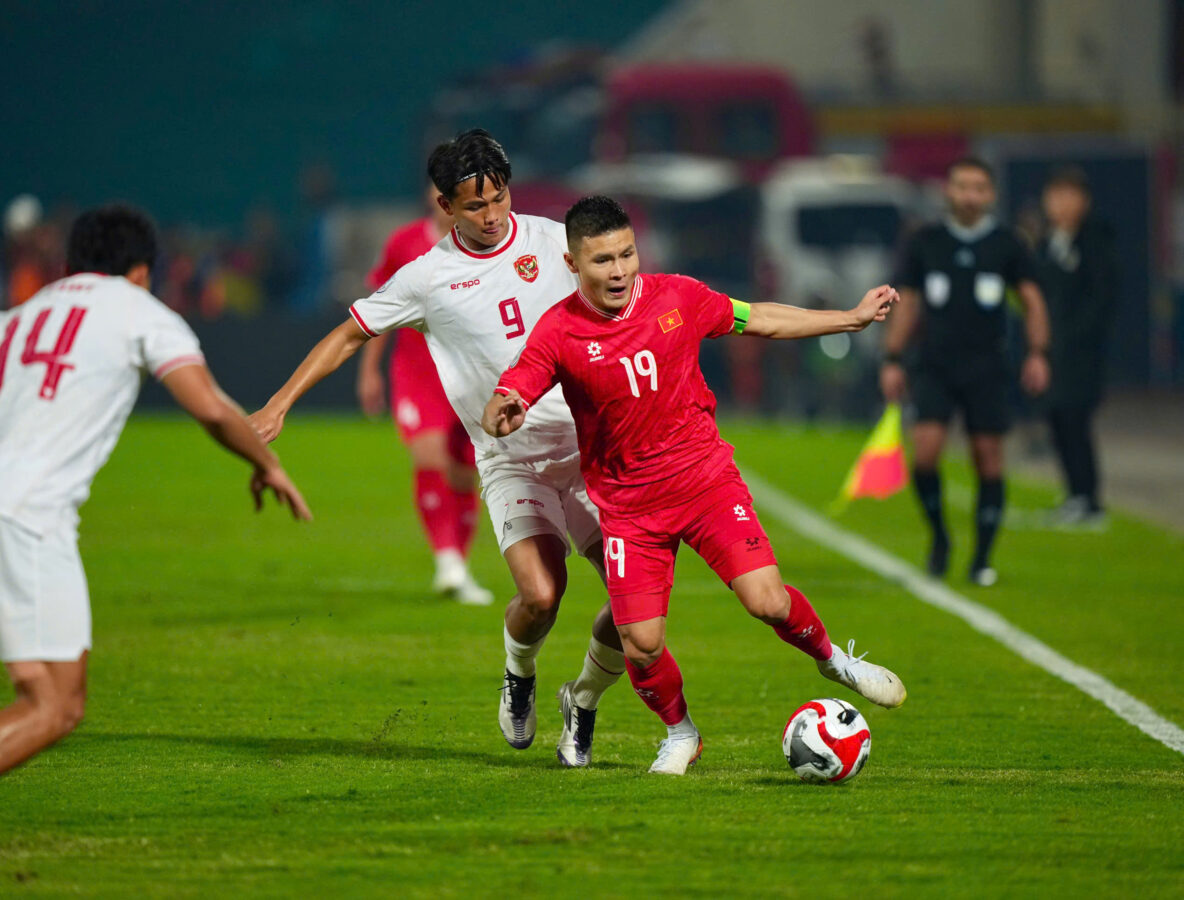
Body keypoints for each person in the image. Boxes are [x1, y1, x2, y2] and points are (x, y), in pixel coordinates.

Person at [483, 195, 906, 776]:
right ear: (572, 263)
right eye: (603, 260)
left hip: (705, 483)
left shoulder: (678, 297)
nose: (619, 270)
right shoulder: (559, 331)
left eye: (627, 254)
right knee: (642, 644)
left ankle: (834, 662)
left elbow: (759, 318)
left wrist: (849, 319)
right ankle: (680, 733)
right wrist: (503, 409)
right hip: (629, 510)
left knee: (768, 601)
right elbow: (516, 386)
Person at [249, 130, 625, 767]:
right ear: (446, 206)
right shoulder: (426, 278)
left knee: (634, 599)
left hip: (588, 449)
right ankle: (519, 673)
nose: (492, 214)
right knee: (542, 596)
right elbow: (348, 335)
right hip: (510, 459)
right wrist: (279, 403)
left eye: (499, 198)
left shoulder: (554, 241)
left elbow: (626, 297)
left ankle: (582, 698)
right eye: (474, 206)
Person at [0, 205, 311, 783]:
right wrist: (268, 462)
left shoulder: (9, 319)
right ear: (141, 270)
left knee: (39, 692)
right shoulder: (139, 311)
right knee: (54, 705)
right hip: (24, 516)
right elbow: (211, 408)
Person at [880, 157, 1050, 586]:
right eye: (962, 186)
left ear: (990, 194)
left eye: (978, 187)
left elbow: (1032, 300)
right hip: (934, 364)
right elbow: (908, 302)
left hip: (987, 366)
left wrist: (1037, 353)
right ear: (949, 191)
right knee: (925, 453)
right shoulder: (926, 241)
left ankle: (982, 558)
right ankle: (940, 537)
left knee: (988, 458)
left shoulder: (1008, 244)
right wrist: (893, 358)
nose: (969, 195)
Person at [357, 183, 491, 604]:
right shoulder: (405, 243)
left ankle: (459, 568)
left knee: (464, 474)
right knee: (429, 456)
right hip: (418, 374)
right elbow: (380, 307)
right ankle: (447, 562)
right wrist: (369, 370)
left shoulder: (487, 245)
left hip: (471, 376)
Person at [1038, 166, 1117, 528]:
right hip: (1050, 353)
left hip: (1081, 354)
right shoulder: (1047, 243)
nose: (1061, 204)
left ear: (1084, 201)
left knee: (1076, 421)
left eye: (1069, 196)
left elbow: (1102, 299)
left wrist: (1071, 337)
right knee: (1056, 421)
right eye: (1055, 196)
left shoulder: (1096, 241)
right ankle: (1074, 495)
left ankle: (1089, 498)